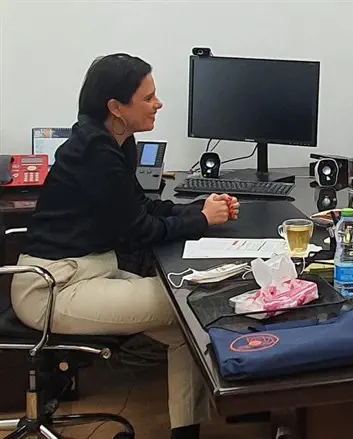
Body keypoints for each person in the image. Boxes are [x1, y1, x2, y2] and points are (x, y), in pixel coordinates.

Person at [10, 54, 238, 439]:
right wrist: (201, 220)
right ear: (116, 107)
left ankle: (187, 432)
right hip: (52, 287)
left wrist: (199, 208)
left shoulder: (114, 143)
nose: (158, 103)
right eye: (148, 97)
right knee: (194, 304)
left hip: (88, 270)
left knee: (187, 333)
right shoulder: (93, 154)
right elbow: (139, 228)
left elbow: (142, 206)